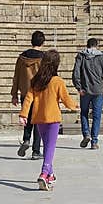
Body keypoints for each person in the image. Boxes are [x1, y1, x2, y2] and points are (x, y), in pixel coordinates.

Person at [20, 50, 78, 191]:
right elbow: (66, 99)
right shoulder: (57, 81)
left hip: (39, 118)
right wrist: (75, 106)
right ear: (56, 64)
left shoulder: (36, 80)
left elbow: (28, 99)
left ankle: (51, 174)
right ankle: (44, 172)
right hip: (52, 118)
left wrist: (23, 115)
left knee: (46, 146)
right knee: (50, 146)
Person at [72, 38, 103, 150]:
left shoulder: (81, 56)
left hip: (84, 91)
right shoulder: (102, 57)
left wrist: (78, 87)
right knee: (97, 116)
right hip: (98, 91)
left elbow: (75, 73)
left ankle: (86, 134)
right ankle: (94, 142)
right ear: (97, 45)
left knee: (84, 113)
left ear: (87, 45)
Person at [12, 31, 46, 159]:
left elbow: (16, 77)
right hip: (39, 93)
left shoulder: (21, 58)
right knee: (38, 122)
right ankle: (36, 151)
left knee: (27, 118)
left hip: (25, 93)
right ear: (43, 42)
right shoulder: (43, 58)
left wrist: (14, 94)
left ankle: (26, 139)